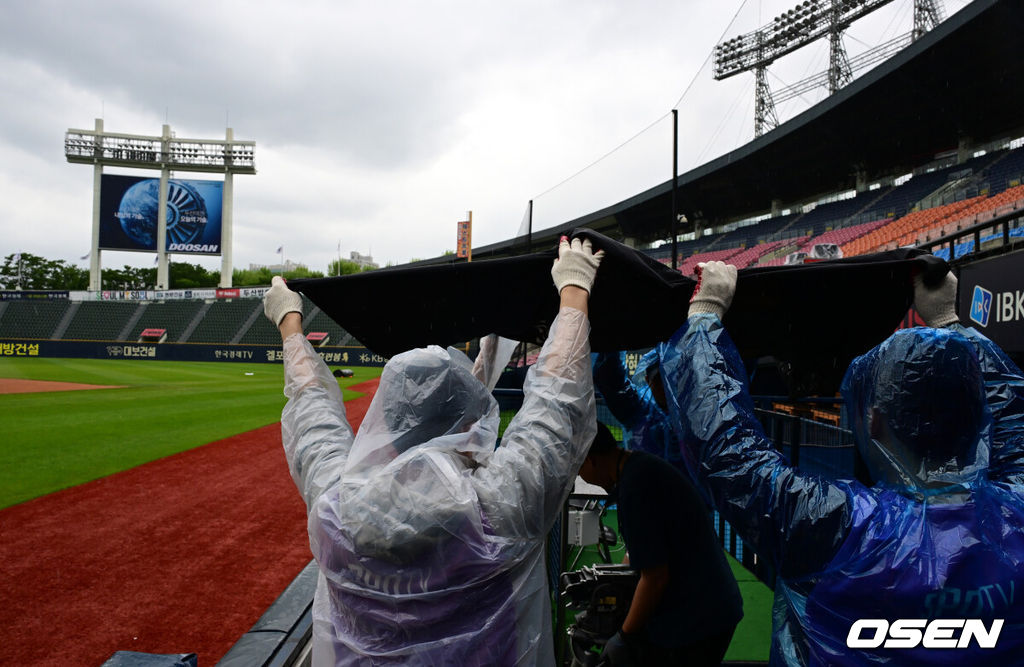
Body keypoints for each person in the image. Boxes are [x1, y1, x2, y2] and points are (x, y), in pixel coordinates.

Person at [654, 260, 1024, 665]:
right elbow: (1013, 420)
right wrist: (950, 323)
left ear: (874, 421)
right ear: (978, 414)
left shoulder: (835, 527)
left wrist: (705, 315)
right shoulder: (1016, 518)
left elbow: (728, 450)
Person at [261, 236, 604, 666]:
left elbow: (314, 418)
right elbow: (557, 406)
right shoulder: (502, 506)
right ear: (468, 427)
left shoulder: (336, 510)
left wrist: (289, 321)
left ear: (383, 423)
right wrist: (573, 289)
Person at [576, 421, 743, 665]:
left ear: (590, 460)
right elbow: (639, 551)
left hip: (701, 616)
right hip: (709, 605)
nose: (581, 477)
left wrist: (623, 635)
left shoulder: (636, 486)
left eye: (579, 469)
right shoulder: (637, 469)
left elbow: (655, 578)